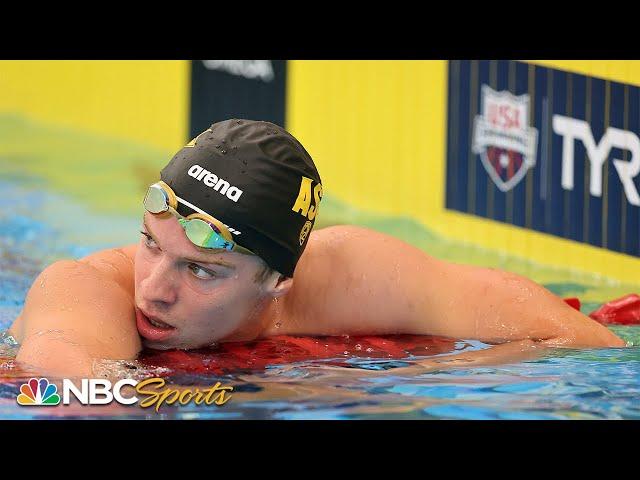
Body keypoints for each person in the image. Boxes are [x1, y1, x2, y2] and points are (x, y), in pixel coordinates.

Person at [7, 119, 625, 378]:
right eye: (150, 244)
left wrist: (433, 370)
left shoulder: (354, 274)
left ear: (278, 279)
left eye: (202, 269)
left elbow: (586, 338)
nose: (154, 288)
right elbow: (50, 385)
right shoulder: (84, 291)